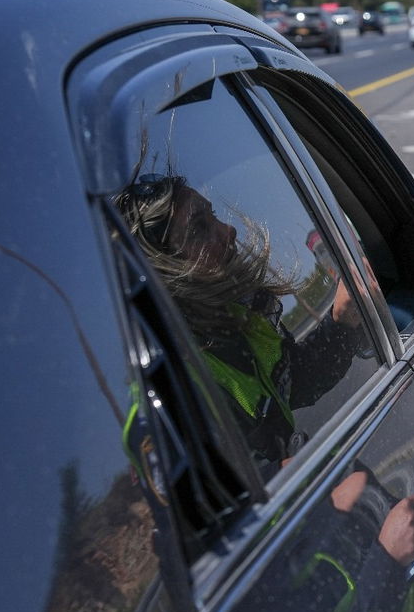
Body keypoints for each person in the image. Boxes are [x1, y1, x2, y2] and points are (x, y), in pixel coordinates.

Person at [115, 172, 369, 477]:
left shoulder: (239, 319)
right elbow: (221, 510)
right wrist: (303, 477)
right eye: (198, 230)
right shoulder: (166, 392)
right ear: (161, 274)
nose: (228, 230)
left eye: (213, 216)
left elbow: (294, 384)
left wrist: (340, 322)